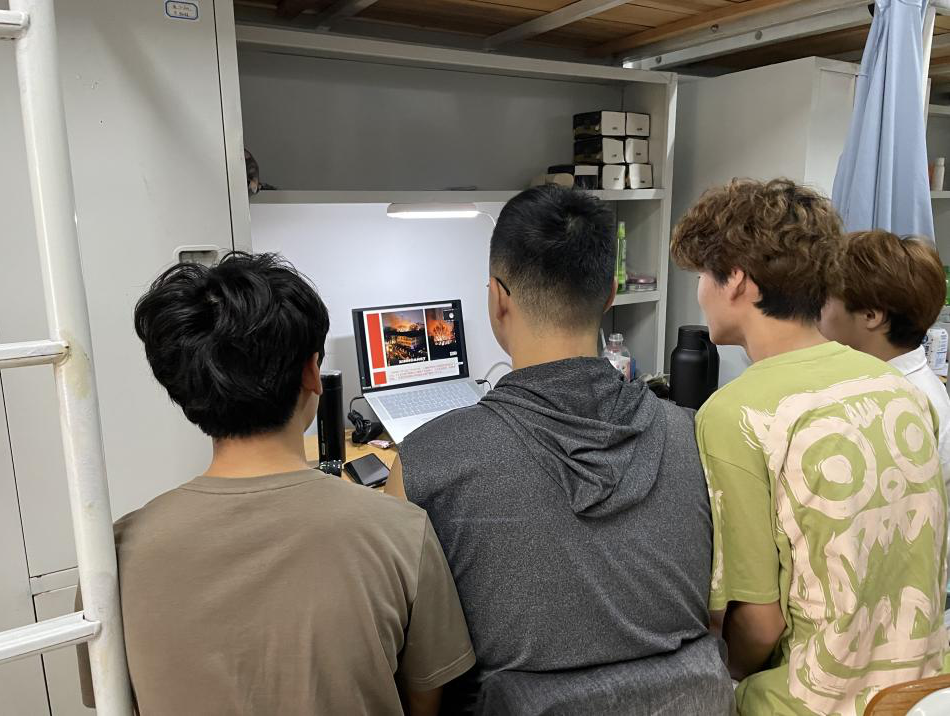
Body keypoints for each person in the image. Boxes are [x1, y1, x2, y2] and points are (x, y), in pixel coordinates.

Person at [386, 185, 732, 713]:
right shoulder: (695, 437)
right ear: (610, 295)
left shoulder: (425, 464)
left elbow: (415, 671)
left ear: (497, 298)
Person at [80, 252, 474, 715]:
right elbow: (425, 700)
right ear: (312, 373)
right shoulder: (402, 533)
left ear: (183, 389)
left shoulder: (111, 557)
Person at [671, 178, 948, 716]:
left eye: (704, 275)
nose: (701, 291)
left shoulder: (735, 415)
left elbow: (759, 625)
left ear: (737, 281)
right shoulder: (898, 387)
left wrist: (729, 675)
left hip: (814, 702)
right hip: (922, 692)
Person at [819, 229, 950, 499]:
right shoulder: (901, 384)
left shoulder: (901, 404)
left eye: (825, 300)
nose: (817, 311)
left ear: (871, 315)